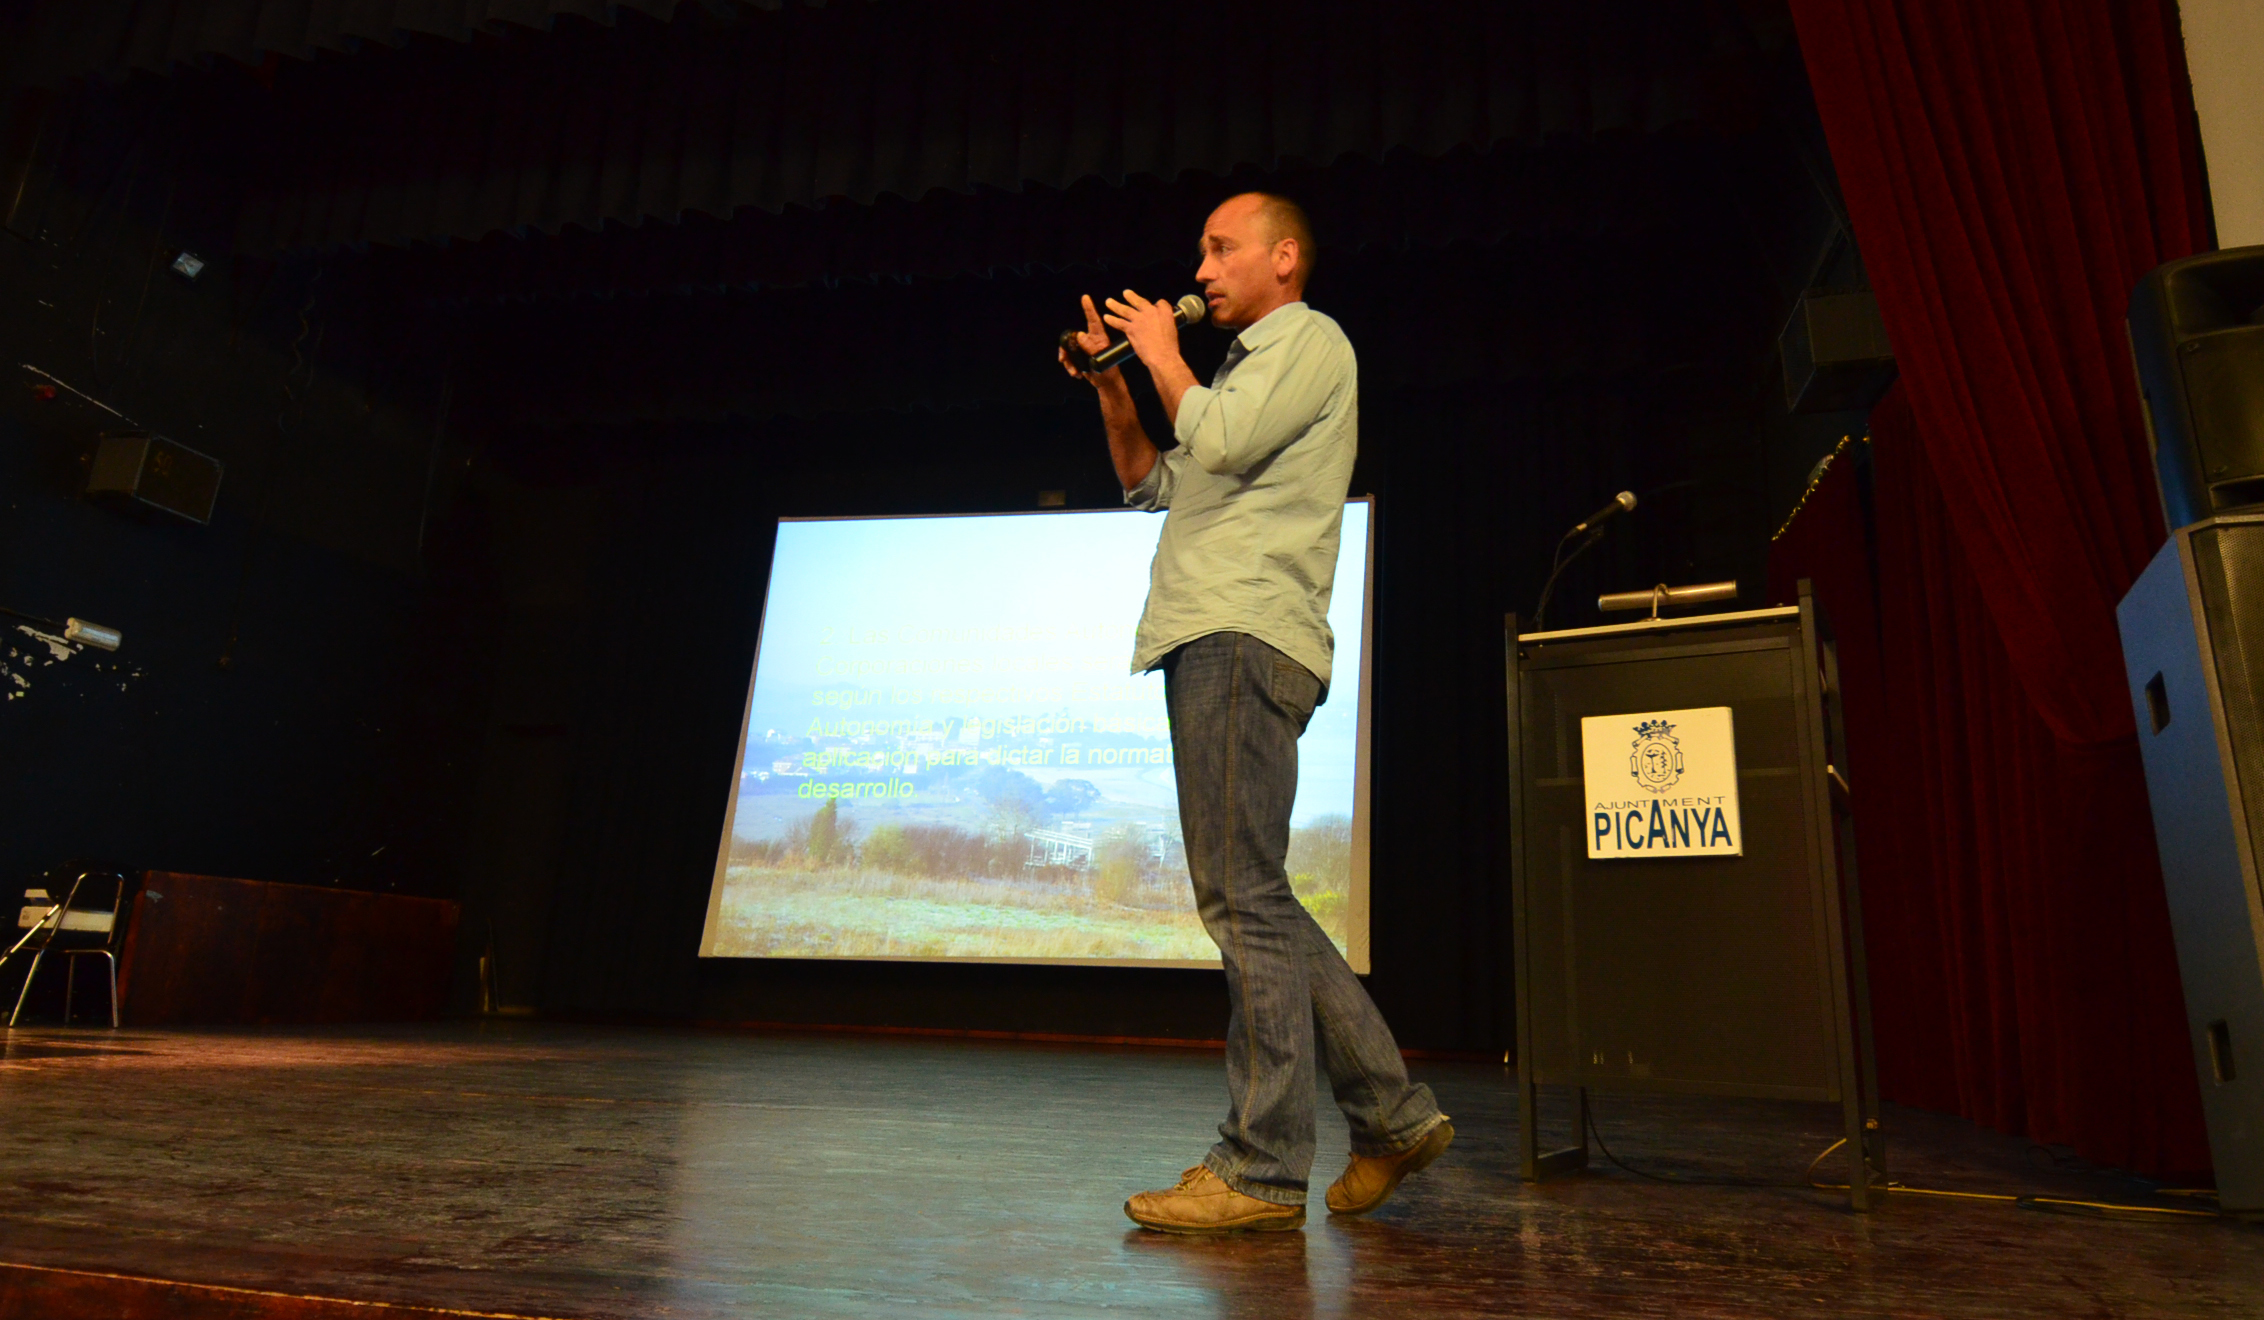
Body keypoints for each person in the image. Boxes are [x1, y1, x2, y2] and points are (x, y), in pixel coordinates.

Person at [1058, 193, 1451, 1234]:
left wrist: (1155, 354)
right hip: (1212, 634)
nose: (1202, 265)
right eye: (1199, 249)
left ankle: (1262, 1166)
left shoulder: (1304, 342)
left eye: (1220, 248)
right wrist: (1112, 384)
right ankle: (1391, 1116)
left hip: (1242, 635)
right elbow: (1152, 479)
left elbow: (1219, 443)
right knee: (1252, 895)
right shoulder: (1233, 374)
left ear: (1283, 258)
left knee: (1239, 897)